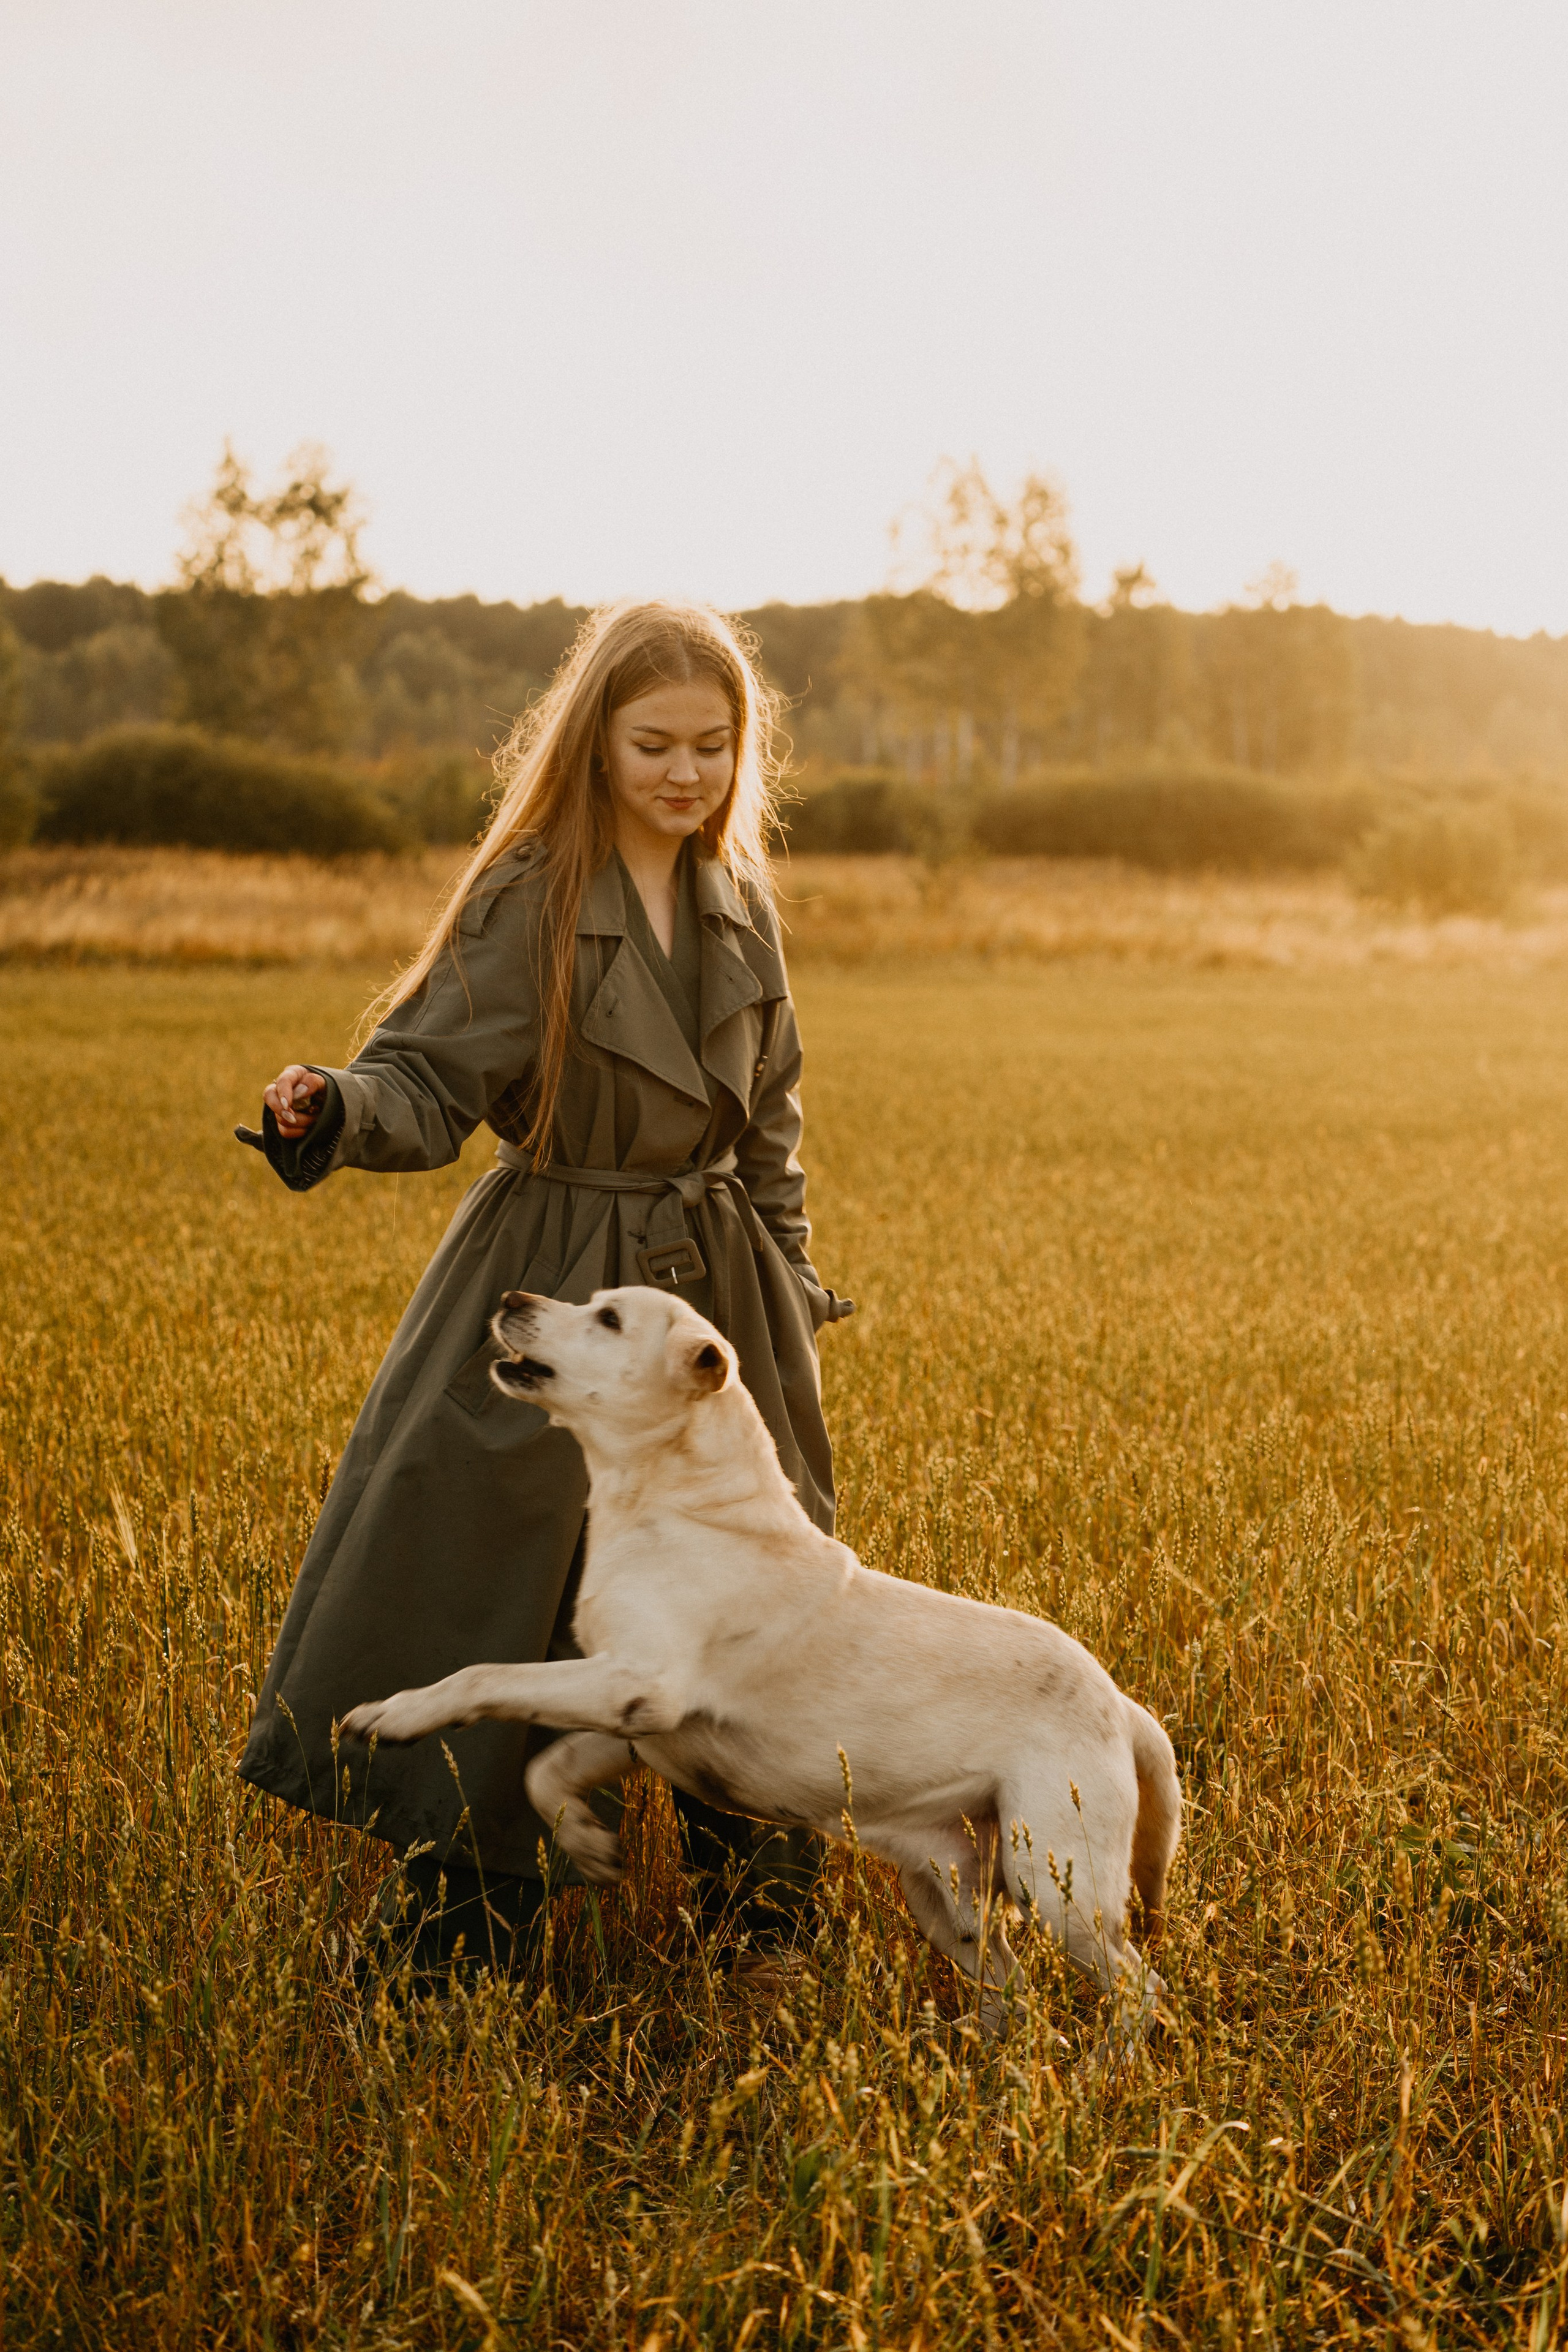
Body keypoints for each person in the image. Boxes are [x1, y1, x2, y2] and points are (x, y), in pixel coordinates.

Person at [235, 599, 853, 1977]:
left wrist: (790, 1287)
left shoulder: (739, 900)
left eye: (710, 746)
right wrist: (329, 1107)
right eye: (653, 746)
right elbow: (422, 1076)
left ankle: (760, 1912)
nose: (685, 774)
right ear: (593, 745)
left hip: (717, 1312)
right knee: (505, 1582)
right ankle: (471, 1914)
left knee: (746, 1587)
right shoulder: (532, 893)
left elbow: (771, 1125)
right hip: (554, 1279)